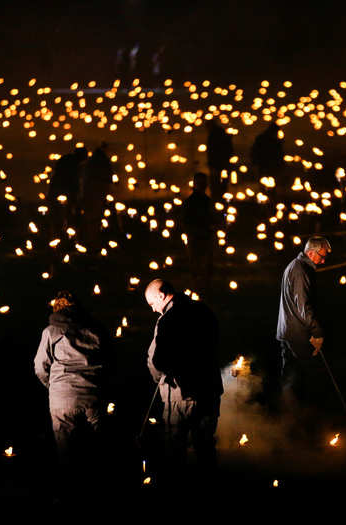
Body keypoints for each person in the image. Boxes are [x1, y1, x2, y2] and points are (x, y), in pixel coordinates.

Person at [145, 279, 223, 483]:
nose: (153, 310)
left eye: (152, 303)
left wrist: (160, 380)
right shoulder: (204, 310)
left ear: (161, 295)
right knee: (205, 449)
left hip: (180, 394)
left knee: (174, 450)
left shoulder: (167, 319)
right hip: (209, 392)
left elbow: (157, 360)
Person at [34, 291, 109, 487]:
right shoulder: (97, 330)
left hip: (62, 399)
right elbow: (110, 362)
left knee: (66, 453)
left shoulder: (50, 332)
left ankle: (69, 496)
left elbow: (40, 366)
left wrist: (54, 387)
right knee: (97, 451)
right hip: (93, 396)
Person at [275, 236, 331, 437]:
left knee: (291, 378)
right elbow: (303, 306)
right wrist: (317, 331)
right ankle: (298, 425)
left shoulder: (295, 266)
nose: (324, 261)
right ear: (311, 253)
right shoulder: (300, 270)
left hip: (288, 331)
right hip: (297, 334)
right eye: (322, 256)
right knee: (299, 380)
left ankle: (290, 423)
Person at [181, 172, 216, 295]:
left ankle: (203, 290)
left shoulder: (207, 201)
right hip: (196, 237)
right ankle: (199, 290)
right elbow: (185, 220)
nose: (202, 185)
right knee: (197, 266)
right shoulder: (191, 202)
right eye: (200, 183)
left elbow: (212, 218)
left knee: (203, 266)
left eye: (203, 183)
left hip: (203, 237)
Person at [79, 142, 113, 245]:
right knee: (95, 217)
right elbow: (108, 178)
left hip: (91, 193)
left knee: (91, 217)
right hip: (97, 193)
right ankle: (92, 240)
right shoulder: (103, 162)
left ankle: (89, 239)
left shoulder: (90, 162)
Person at [48, 147, 87, 236]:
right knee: (63, 215)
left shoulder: (66, 161)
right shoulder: (74, 165)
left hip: (57, 191)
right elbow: (73, 182)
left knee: (57, 216)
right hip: (63, 192)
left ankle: (57, 234)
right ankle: (62, 234)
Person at [250, 122, 284, 195]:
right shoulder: (275, 141)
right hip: (270, 165)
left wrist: (254, 162)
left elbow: (254, 151)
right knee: (270, 182)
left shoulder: (261, 138)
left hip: (263, 164)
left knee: (264, 181)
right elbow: (279, 154)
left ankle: (264, 196)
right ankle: (269, 196)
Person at [205, 120, 233, 200]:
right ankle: (221, 197)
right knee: (222, 182)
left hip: (217, 164)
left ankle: (217, 198)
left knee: (216, 182)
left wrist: (212, 162)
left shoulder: (214, 135)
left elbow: (212, 151)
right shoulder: (222, 134)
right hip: (222, 163)